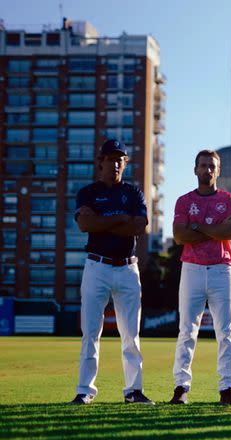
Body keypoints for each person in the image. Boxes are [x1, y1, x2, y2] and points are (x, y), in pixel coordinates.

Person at [70, 139, 153, 405]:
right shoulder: (88, 193)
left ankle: (133, 391)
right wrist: (120, 219)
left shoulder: (134, 193)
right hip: (97, 266)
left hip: (128, 268)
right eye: (111, 158)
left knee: (131, 334)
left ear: (125, 163)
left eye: (121, 159)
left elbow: (139, 227)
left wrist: (101, 222)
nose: (116, 163)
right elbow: (85, 225)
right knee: (91, 332)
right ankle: (85, 390)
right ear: (101, 162)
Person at [170, 150, 231, 405]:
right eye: (203, 165)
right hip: (192, 268)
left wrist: (197, 227)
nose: (207, 170)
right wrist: (215, 231)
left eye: (212, 166)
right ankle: (181, 387)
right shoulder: (183, 201)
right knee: (187, 330)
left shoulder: (230, 200)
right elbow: (179, 236)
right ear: (195, 169)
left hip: (222, 268)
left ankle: (227, 388)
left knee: (226, 332)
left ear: (218, 170)